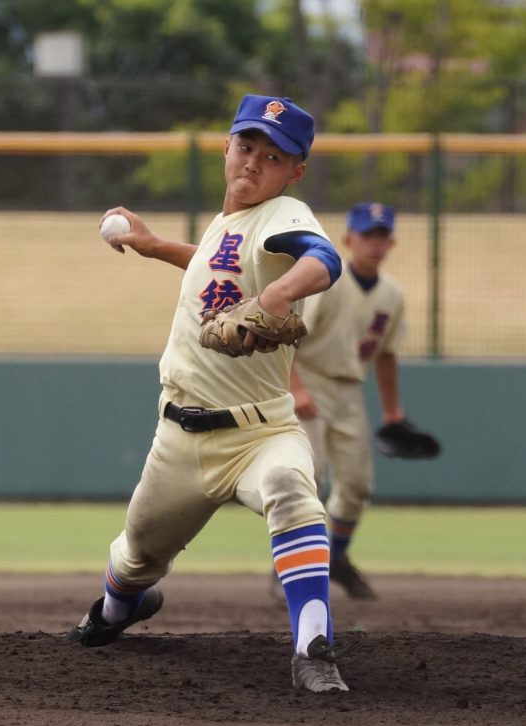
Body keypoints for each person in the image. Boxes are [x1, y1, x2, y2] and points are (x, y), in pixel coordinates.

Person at [67, 94, 350, 692]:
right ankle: (118, 609)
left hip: (260, 432)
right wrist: (155, 247)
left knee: (290, 488)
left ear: (295, 172)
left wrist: (273, 298)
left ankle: (313, 648)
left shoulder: (283, 213)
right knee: (135, 558)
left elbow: (325, 260)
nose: (253, 163)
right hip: (181, 440)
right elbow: (214, 269)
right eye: (246, 147)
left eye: (273, 158)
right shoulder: (229, 226)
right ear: (226, 147)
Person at [288, 202, 408, 600]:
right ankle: (296, 565)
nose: (374, 243)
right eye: (366, 235)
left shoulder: (392, 294)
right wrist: (295, 388)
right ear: (348, 240)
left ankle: (334, 558)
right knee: (309, 477)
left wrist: (392, 411)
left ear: (391, 242)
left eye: (381, 236)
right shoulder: (327, 281)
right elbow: (286, 335)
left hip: (350, 389)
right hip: (310, 379)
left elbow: (387, 355)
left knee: (357, 485)